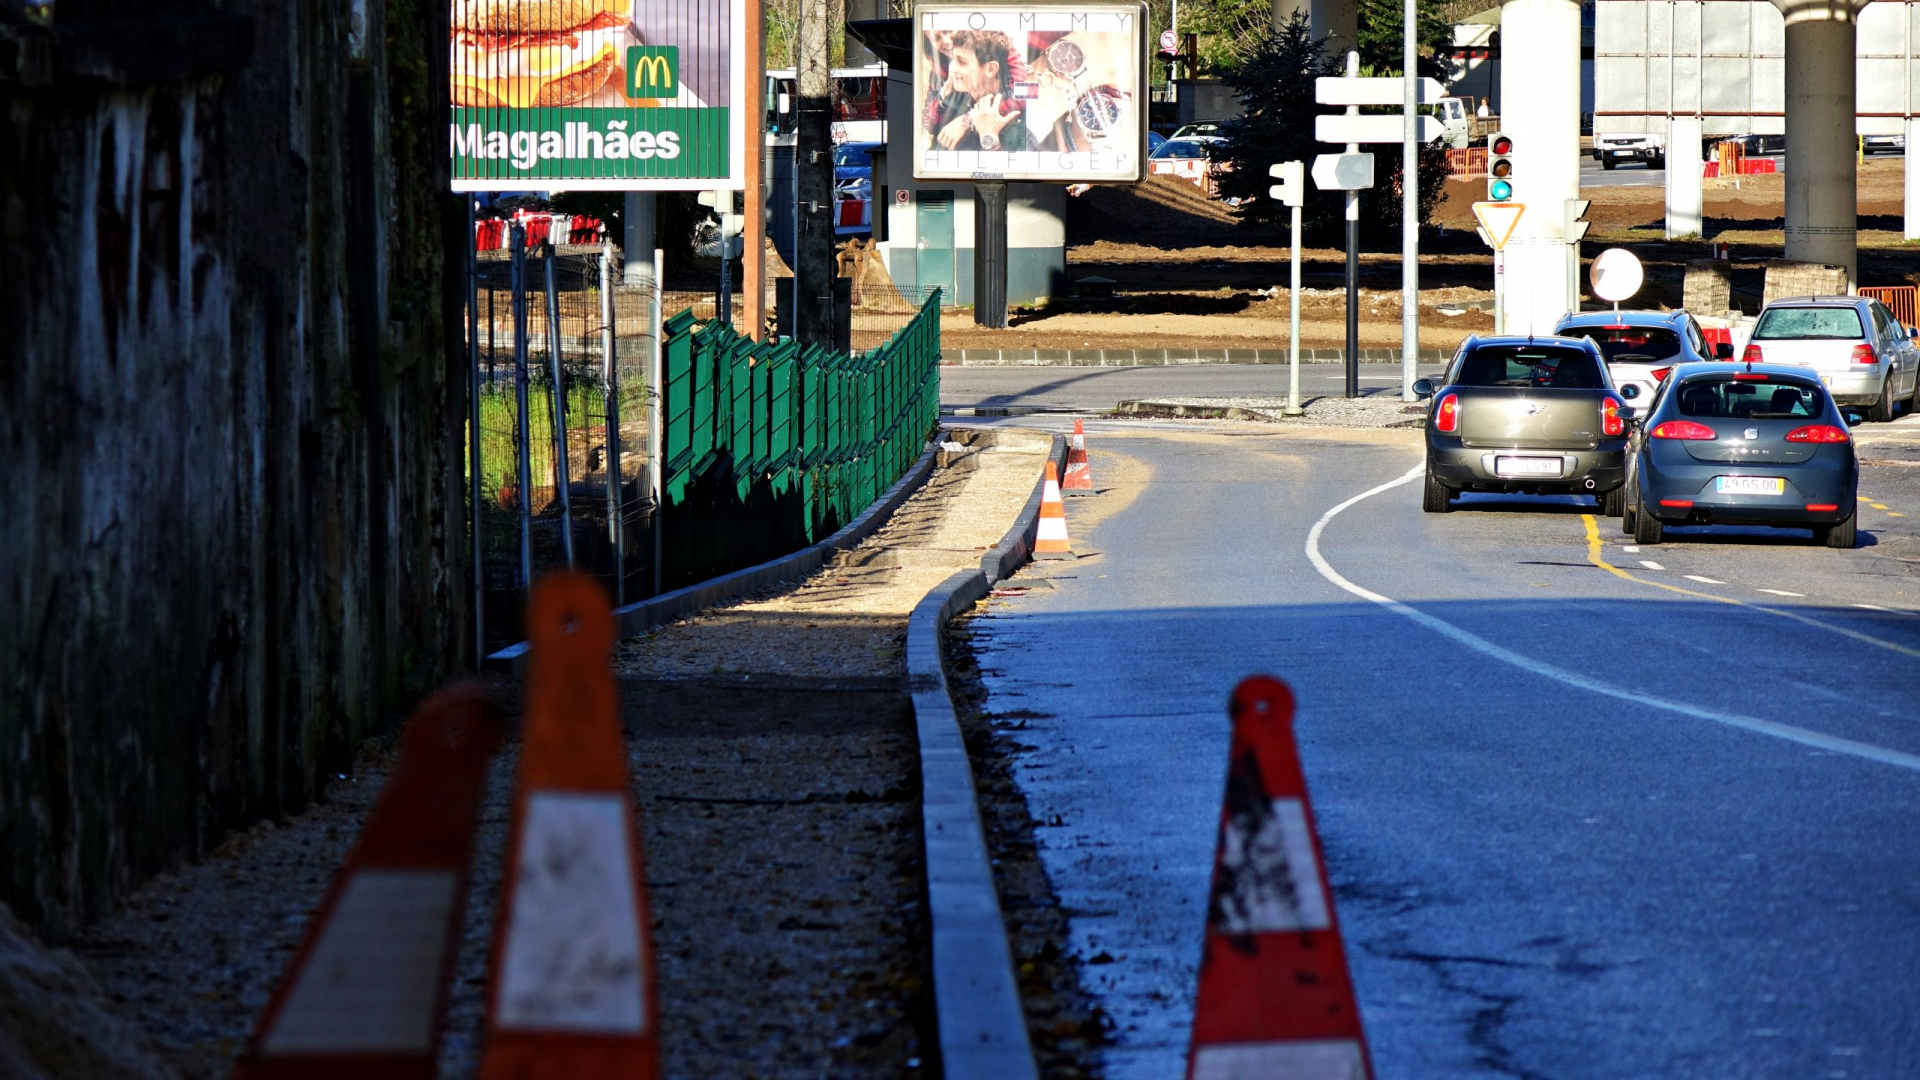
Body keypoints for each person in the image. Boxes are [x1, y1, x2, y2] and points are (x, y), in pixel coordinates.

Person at [929, 30, 1028, 152]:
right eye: (953, 59)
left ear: (991, 68)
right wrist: (944, 91)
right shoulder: (956, 90)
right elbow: (929, 125)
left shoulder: (1020, 126)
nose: (952, 68)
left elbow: (1026, 91)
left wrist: (973, 122)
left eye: (962, 62)